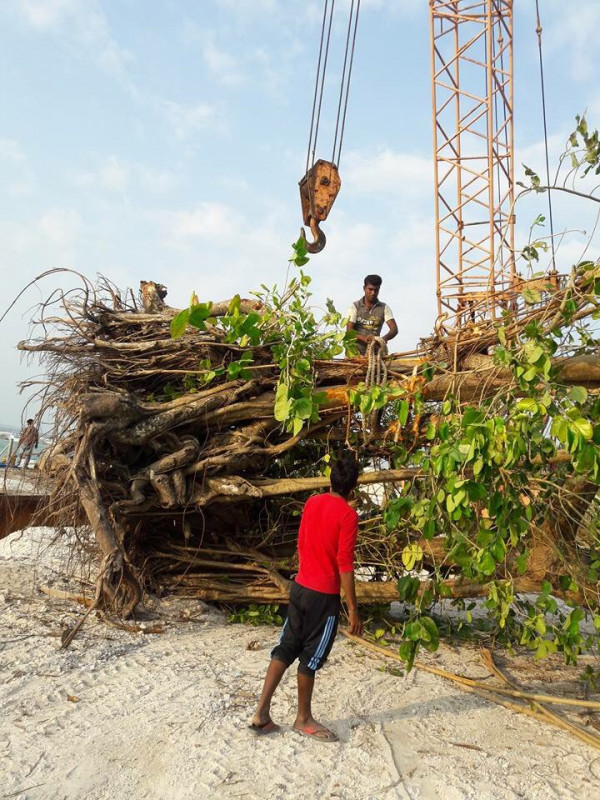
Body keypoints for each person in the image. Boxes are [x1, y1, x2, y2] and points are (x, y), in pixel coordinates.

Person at [250, 452, 363, 742]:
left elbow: (301, 542)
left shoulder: (312, 502)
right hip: (323, 597)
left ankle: (261, 713)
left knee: (286, 647)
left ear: (331, 482)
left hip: (299, 587)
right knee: (310, 659)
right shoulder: (348, 516)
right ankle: (303, 719)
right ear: (353, 488)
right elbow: (345, 565)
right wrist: (353, 609)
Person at [346, 274, 398, 355]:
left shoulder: (384, 308)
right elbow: (349, 330)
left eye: (376, 290)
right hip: (355, 354)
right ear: (364, 288)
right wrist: (363, 338)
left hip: (375, 353)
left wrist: (384, 339)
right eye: (370, 289)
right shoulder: (354, 306)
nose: (373, 293)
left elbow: (394, 329)